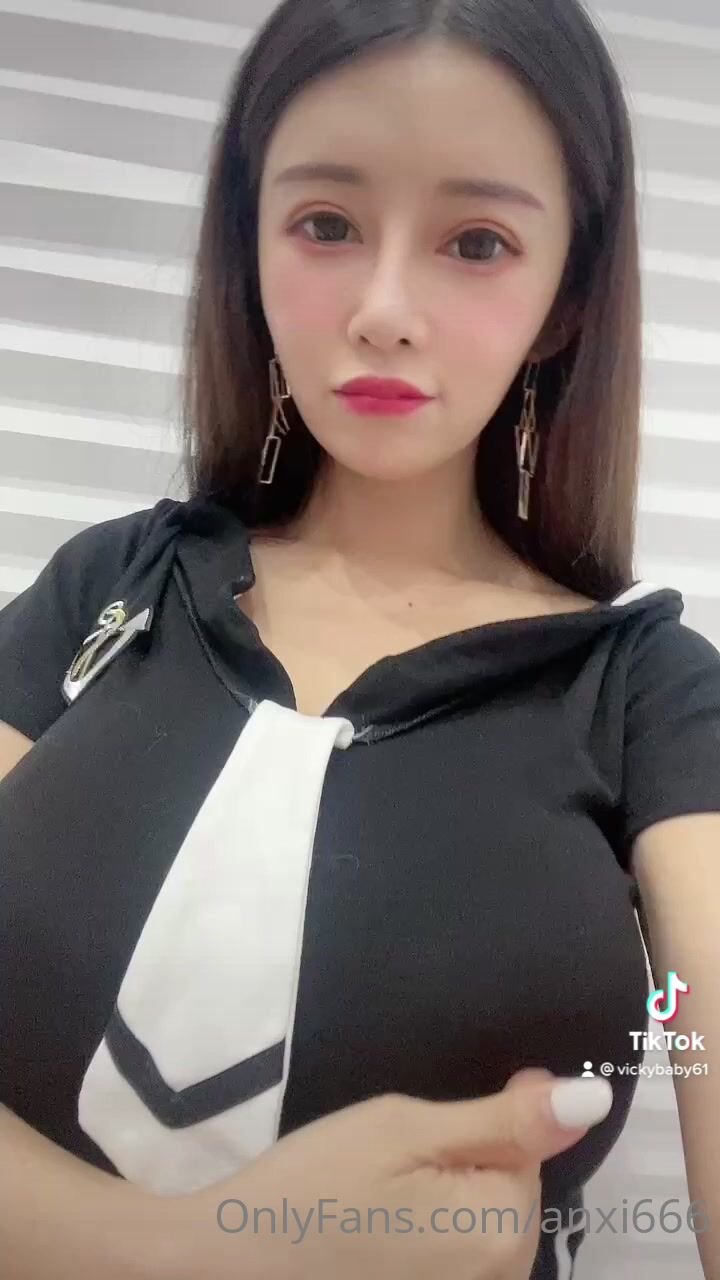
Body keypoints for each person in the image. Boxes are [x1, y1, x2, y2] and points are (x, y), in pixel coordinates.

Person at [2, 0, 720, 1277]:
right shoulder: (112, 586)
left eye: (478, 241)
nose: (385, 310)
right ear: (251, 243)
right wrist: (201, 1252)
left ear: (566, 298)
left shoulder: (653, 698)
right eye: (326, 224)